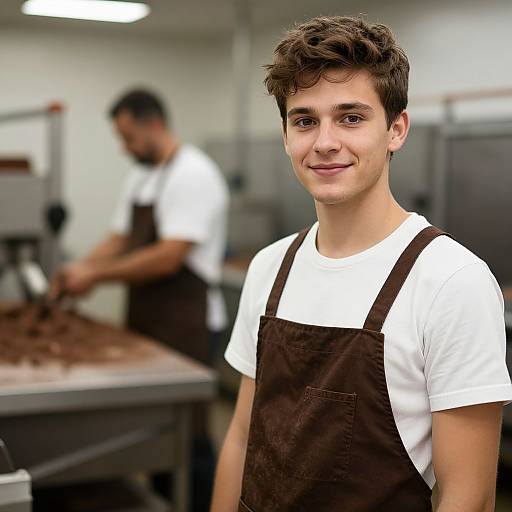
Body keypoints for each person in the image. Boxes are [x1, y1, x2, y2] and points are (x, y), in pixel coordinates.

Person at [211, 16, 512, 512]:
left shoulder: (451, 281)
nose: (325, 141)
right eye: (305, 120)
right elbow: (242, 440)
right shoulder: (269, 269)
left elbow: (469, 495)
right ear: (287, 136)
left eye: (351, 117)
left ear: (396, 129)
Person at [52, 89, 229, 511]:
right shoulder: (142, 174)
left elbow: (169, 257)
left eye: (128, 137)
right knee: (153, 432)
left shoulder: (194, 174)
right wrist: (78, 269)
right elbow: (119, 237)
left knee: (189, 437)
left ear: (153, 125)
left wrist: (95, 275)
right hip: (149, 318)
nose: (124, 147)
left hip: (187, 322)